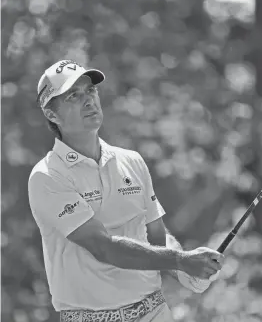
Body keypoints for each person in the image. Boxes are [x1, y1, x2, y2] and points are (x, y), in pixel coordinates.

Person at [28, 60, 224, 322]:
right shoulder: (47, 176)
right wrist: (179, 259)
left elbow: (156, 234)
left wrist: (187, 270)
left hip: (154, 312)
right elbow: (104, 248)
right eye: (73, 96)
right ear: (52, 115)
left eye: (91, 91)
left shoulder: (131, 160)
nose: (88, 100)